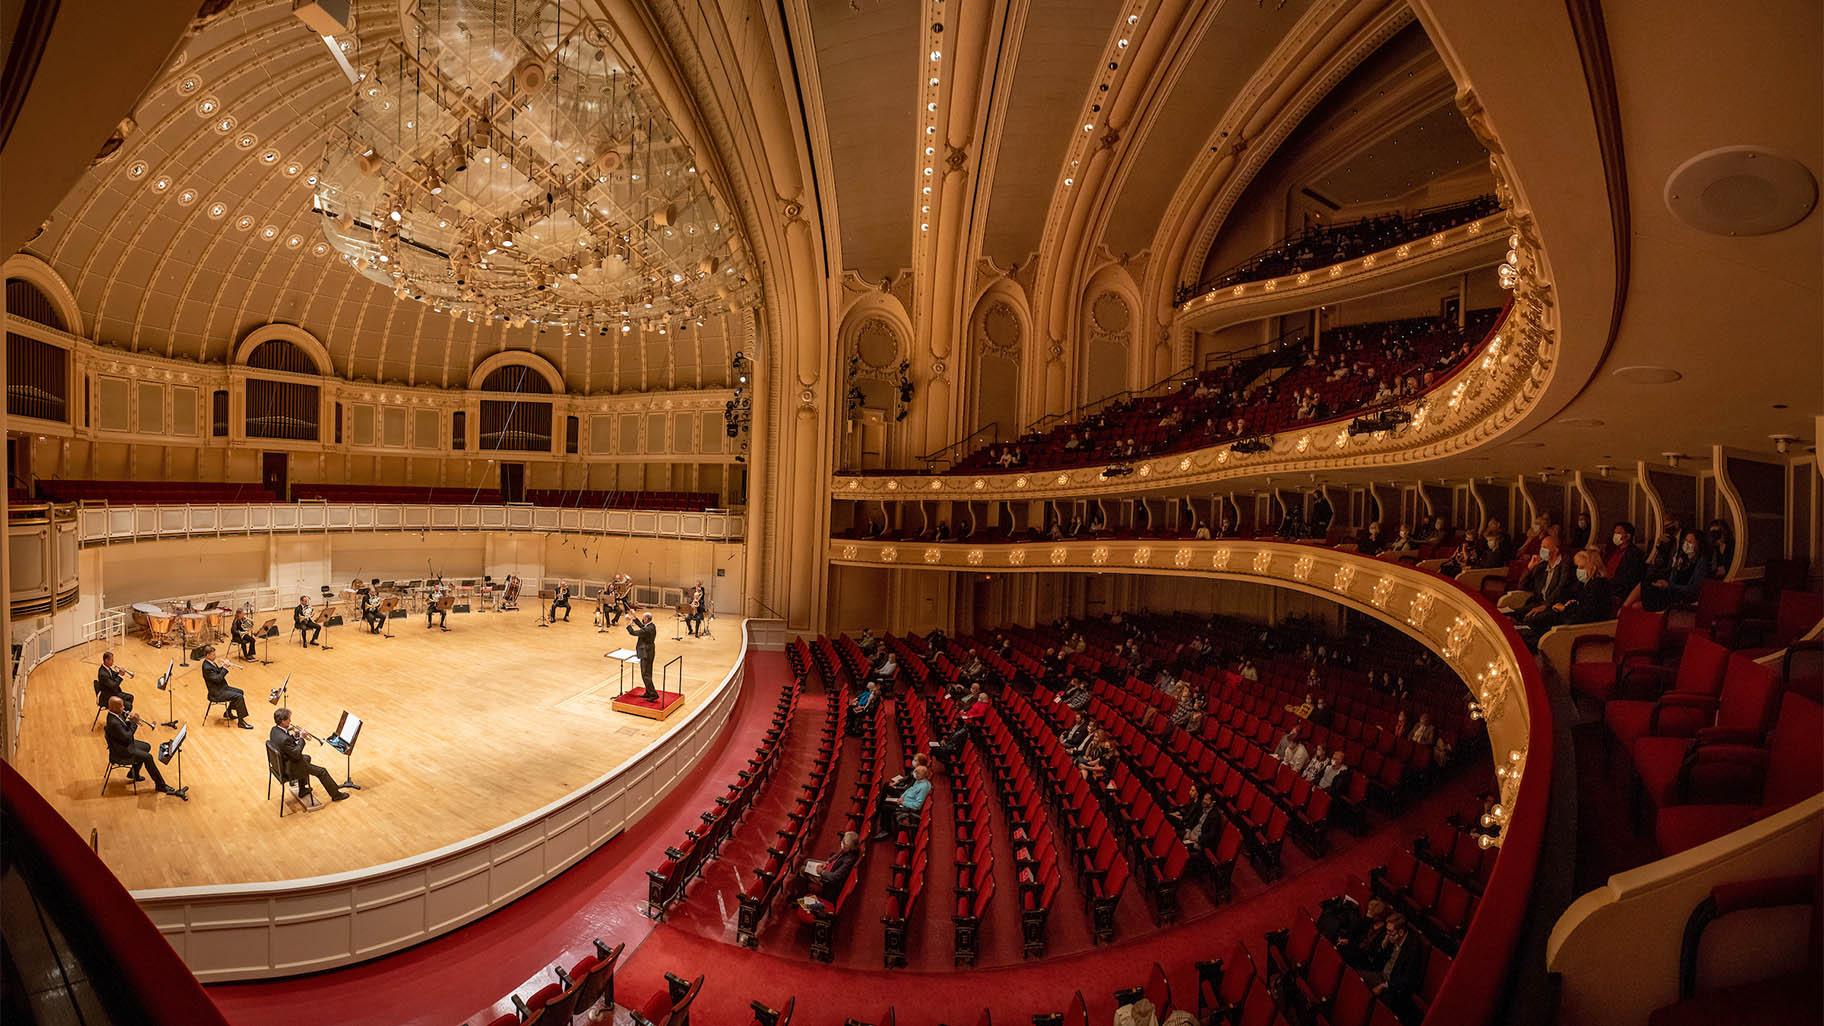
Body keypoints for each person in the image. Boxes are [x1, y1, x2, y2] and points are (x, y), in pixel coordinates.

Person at [103, 697, 186, 798]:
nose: (124, 707)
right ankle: (160, 785)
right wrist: (134, 722)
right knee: (148, 757)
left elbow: (122, 725)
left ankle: (134, 774)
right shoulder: (113, 722)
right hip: (122, 750)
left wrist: (128, 718)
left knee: (146, 746)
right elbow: (127, 737)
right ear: (114, 707)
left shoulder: (113, 714)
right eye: (121, 705)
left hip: (122, 743)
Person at [269, 707, 349, 805]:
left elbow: (286, 746)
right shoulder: (285, 739)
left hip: (281, 763)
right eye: (289, 719)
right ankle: (336, 795)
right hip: (291, 768)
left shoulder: (274, 730)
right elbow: (296, 755)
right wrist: (302, 738)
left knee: (307, 758)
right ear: (282, 721)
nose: (290, 721)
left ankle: (302, 789)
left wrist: (294, 737)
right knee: (322, 771)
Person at [1628, 530, 1711, 612]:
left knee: (1637, 606)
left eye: (1690, 542)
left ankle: (1623, 611)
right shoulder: (1682, 559)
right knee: (1645, 583)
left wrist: (1669, 586)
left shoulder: (1702, 563)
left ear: (1699, 544)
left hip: (1681, 597)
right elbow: (1672, 578)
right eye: (1685, 541)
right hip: (1671, 592)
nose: (1686, 544)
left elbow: (1693, 590)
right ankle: (1623, 609)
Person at [1362, 914, 1424, 1022]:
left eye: (1390, 931)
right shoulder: (1391, 938)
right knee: (1358, 979)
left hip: (1393, 988)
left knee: (1381, 1008)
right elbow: (1376, 960)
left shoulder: (1413, 949)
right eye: (1387, 930)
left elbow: (1406, 980)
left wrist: (1383, 986)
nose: (1387, 934)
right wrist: (1383, 944)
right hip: (1381, 975)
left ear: (1401, 932)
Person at [792, 831, 861, 901]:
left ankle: (799, 894)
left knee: (802, 869)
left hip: (828, 880)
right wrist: (827, 862)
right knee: (807, 861)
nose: (842, 844)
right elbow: (838, 855)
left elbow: (835, 877)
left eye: (844, 844)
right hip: (831, 866)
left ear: (849, 848)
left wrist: (821, 872)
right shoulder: (848, 849)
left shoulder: (849, 861)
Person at [873, 765, 931, 840]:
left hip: (908, 807)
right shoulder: (918, 780)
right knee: (885, 800)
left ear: (923, 775)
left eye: (917, 772)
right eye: (915, 771)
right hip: (904, 800)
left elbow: (917, 805)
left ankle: (886, 830)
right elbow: (909, 789)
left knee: (885, 807)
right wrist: (902, 797)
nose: (914, 773)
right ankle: (879, 815)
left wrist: (903, 802)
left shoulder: (924, 787)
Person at [201, 646, 252, 728]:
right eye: (213, 655)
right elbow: (218, 679)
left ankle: (228, 712)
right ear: (207, 655)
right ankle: (241, 722)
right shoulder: (206, 667)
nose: (215, 656)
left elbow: (217, 673)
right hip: (216, 693)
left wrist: (223, 666)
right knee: (239, 697)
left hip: (222, 687)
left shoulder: (211, 663)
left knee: (240, 692)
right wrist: (225, 668)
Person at [1603, 521, 1647, 597]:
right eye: (1615, 533)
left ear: (1628, 536)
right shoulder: (1613, 550)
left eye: (1619, 533)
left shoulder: (1635, 554)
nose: (1615, 535)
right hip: (1606, 584)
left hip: (1619, 590)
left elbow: (1629, 580)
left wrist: (1609, 581)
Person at [626, 612, 659, 700]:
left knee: (645, 674)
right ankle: (648, 692)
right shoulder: (652, 626)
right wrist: (634, 617)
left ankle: (653, 694)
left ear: (646, 619)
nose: (642, 619)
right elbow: (642, 626)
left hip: (645, 653)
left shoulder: (647, 630)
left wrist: (628, 624)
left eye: (643, 618)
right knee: (648, 673)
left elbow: (633, 632)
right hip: (650, 651)